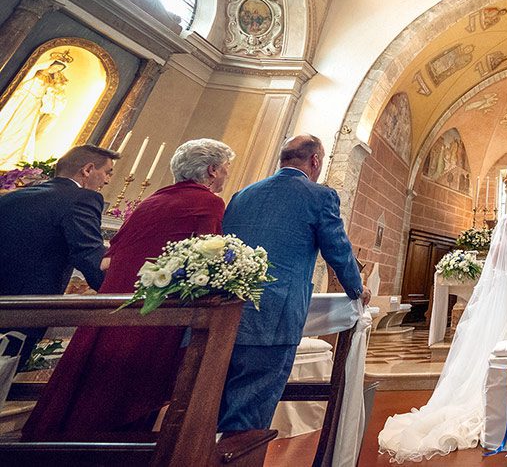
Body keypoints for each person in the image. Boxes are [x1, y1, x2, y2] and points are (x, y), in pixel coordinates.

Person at [21, 139, 234, 438]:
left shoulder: (153, 199)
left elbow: (113, 255)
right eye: (225, 169)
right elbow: (205, 260)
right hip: (155, 312)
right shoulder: (208, 202)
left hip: (115, 301)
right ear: (212, 171)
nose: (226, 175)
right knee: (127, 393)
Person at [218, 134, 368, 432]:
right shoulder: (319, 196)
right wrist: (357, 289)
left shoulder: (242, 195)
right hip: (274, 316)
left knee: (213, 403)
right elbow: (337, 250)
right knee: (249, 413)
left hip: (224, 311)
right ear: (315, 161)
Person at [378, 216, 507, 462]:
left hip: (497, 299)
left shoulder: (495, 248)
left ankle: (489, 386)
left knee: (488, 344)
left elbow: (490, 278)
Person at [0, 144, 117, 367]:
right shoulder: (81, 198)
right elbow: (89, 255)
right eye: (107, 172)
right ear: (88, 169)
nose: (108, 180)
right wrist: (118, 289)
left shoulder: (10, 197)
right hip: (21, 312)